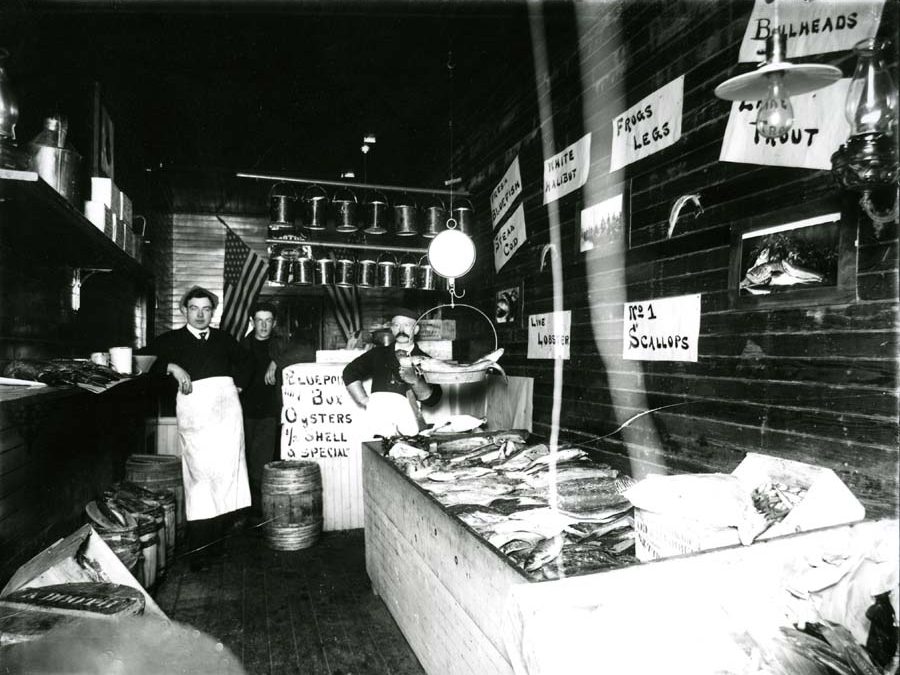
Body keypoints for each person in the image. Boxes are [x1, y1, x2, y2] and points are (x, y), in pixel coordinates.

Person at [144, 286, 252, 562]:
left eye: (206, 309)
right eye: (194, 308)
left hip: (226, 416)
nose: (201, 314)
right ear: (184, 310)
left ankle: (215, 546)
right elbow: (141, 360)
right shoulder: (170, 341)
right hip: (195, 418)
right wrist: (172, 367)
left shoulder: (223, 339)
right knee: (199, 479)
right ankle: (199, 553)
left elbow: (247, 363)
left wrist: (235, 387)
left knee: (225, 478)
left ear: (212, 312)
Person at [240, 301, 314, 518]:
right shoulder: (241, 345)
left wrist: (277, 362)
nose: (263, 326)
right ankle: (246, 511)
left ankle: (260, 514)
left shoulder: (281, 344)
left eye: (268, 321)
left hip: (269, 413)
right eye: (259, 321)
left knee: (261, 465)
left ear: (274, 323)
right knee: (242, 462)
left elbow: (307, 351)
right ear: (252, 322)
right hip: (242, 413)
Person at [342, 307, 441, 438]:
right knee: (375, 454)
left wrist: (415, 381)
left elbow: (433, 399)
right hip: (378, 424)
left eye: (407, 325)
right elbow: (350, 372)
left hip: (408, 424)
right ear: (392, 329)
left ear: (416, 330)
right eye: (396, 325)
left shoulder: (425, 360)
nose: (401, 330)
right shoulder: (378, 354)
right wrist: (365, 400)